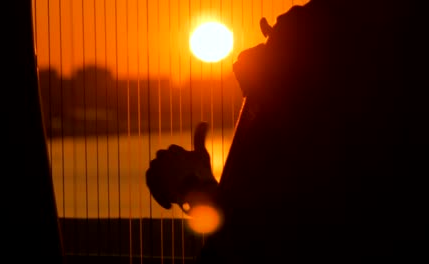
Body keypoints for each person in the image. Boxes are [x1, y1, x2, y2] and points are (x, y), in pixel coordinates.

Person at [146, 0, 426, 262]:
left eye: (270, 48)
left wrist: (191, 187)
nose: (244, 60)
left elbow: (265, 236)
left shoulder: (322, 33)